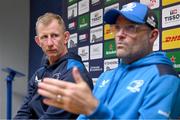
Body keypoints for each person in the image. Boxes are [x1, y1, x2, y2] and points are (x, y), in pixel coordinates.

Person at [37, 2, 180, 119]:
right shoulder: (107, 76)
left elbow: (94, 112)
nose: (120, 35)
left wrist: (95, 110)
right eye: (117, 28)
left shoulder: (164, 77)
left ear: (152, 36)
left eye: (131, 28)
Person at [14, 12, 93, 119]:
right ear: (38, 41)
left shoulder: (74, 71)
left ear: (65, 37)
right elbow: (23, 113)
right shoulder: (39, 74)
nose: (50, 43)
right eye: (44, 37)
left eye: (55, 35)